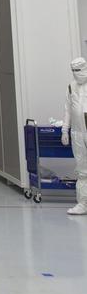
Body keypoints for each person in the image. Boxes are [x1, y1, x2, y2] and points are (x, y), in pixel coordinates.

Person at [61, 57, 87, 216]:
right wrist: (65, 130)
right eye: (74, 71)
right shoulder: (71, 87)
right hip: (78, 133)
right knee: (82, 170)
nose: (77, 74)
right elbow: (68, 110)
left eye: (79, 70)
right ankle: (83, 203)